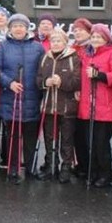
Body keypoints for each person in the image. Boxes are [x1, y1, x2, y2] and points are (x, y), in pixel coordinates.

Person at [0, 14, 45, 181]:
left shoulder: (38, 47)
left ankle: (30, 167)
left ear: (27, 27)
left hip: (32, 97)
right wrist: (10, 83)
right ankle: (13, 167)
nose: (18, 29)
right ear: (10, 29)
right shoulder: (2, 46)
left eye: (21, 26)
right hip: (11, 98)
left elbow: (43, 70)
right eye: (15, 26)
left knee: (31, 135)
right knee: (13, 136)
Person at [76, 24, 112, 188]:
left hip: (105, 106)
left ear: (106, 39)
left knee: (101, 143)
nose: (96, 40)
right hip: (87, 105)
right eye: (94, 37)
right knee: (90, 142)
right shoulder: (86, 55)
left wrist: (101, 75)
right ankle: (93, 171)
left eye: (99, 37)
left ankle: (105, 174)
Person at [36, 29, 81, 183]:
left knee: (66, 139)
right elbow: (38, 79)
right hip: (49, 105)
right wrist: (45, 83)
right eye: (53, 41)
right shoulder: (45, 57)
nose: (55, 43)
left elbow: (77, 81)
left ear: (65, 42)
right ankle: (51, 165)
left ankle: (66, 167)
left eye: (58, 40)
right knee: (50, 138)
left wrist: (61, 82)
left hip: (67, 107)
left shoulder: (73, 57)